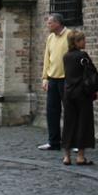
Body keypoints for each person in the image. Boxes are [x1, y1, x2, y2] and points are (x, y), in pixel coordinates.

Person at [59, 29, 98, 166]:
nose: (85, 42)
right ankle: (80, 156)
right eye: (82, 39)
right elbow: (91, 72)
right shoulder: (83, 56)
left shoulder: (66, 56)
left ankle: (66, 156)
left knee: (69, 124)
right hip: (82, 93)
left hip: (68, 93)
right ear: (76, 42)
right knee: (83, 123)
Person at [38, 13, 69, 151]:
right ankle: (53, 141)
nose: (48, 25)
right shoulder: (50, 38)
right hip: (53, 79)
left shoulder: (70, 35)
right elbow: (47, 59)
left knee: (69, 111)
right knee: (52, 111)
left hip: (67, 80)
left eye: (50, 22)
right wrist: (45, 78)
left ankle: (71, 142)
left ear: (58, 23)